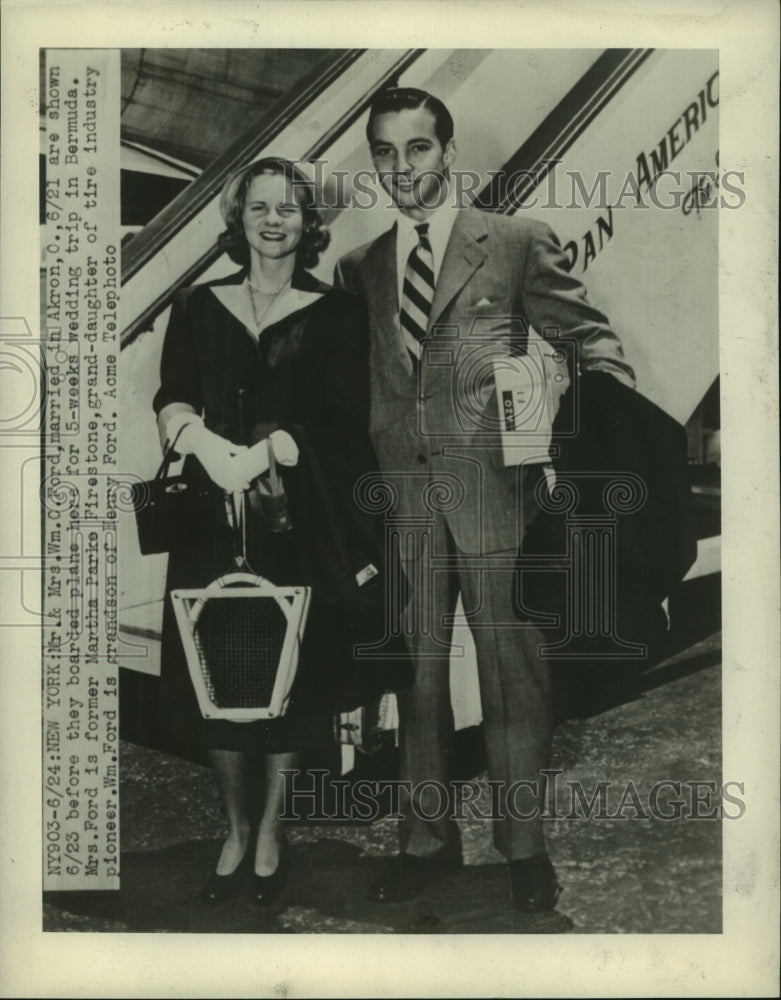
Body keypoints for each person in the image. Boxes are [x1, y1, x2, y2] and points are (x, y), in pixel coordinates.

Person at [335, 88, 636, 911]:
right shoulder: (359, 269)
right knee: (418, 683)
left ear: (448, 151)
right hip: (404, 506)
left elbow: (591, 339)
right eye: (386, 153)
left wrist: (592, 421)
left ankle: (523, 850)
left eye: (418, 149)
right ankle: (426, 841)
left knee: (513, 682)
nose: (403, 169)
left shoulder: (511, 243)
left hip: (499, 500)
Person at [152, 157, 409, 907]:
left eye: (287, 209)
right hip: (209, 519)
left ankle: (270, 834)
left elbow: (341, 415)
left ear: (307, 224)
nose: (272, 220)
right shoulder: (198, 306)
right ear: (238, 222)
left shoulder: (335, 312)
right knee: (216, 675)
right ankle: (233, 829)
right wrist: (204, 445)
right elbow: (173, 396)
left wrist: (269, 450)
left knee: (290, 680)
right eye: (258, 208)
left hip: (295, 522)